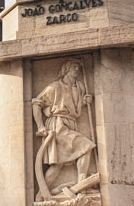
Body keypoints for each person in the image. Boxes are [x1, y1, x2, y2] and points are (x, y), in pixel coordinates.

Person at [32, 59, 95, 195]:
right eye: (74, 67)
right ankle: (81, 185)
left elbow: (73, 107)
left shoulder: (79, 87)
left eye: (78, 67)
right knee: (86, 146)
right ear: (66, 69)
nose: (77, 70)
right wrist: (40, 126)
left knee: (57, 165)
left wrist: (84, 102)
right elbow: (37, 103)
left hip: (71, 123)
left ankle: (41, 195)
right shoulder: (54, 87)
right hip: (58, 125)